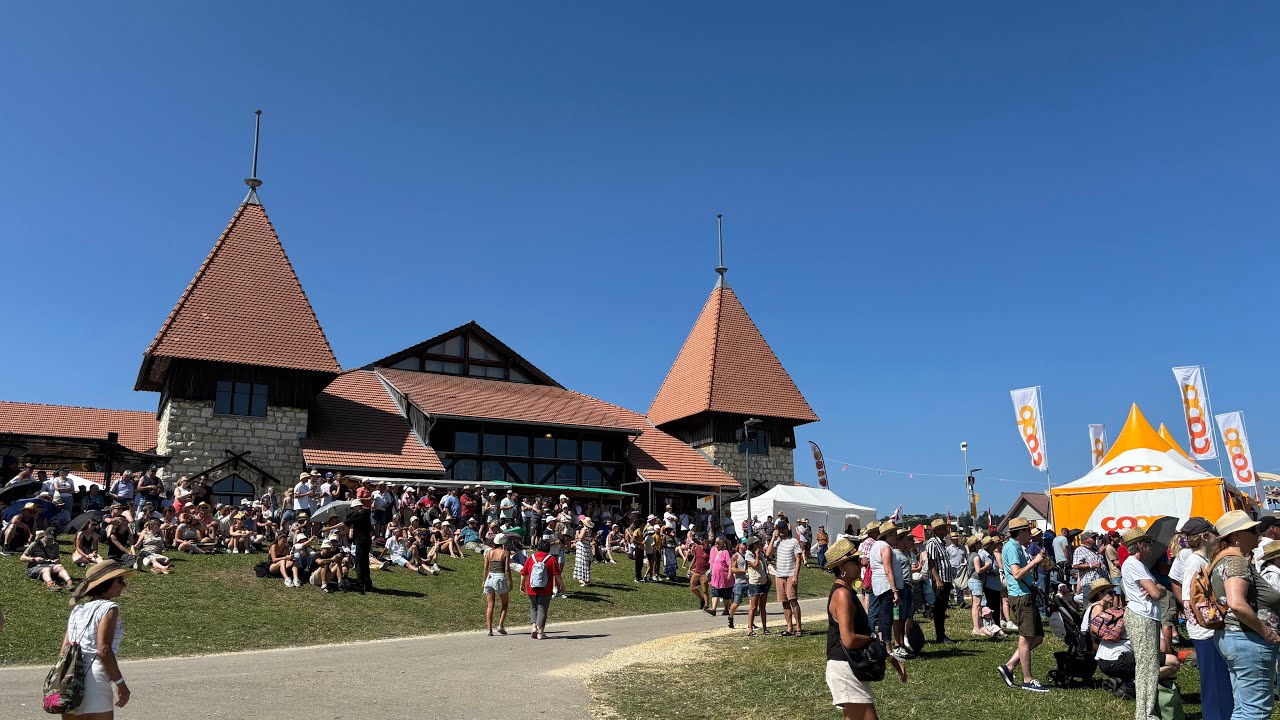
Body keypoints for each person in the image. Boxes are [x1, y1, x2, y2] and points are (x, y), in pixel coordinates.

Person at [824, 537, 907, 720]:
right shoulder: (842, 594)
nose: (861, 564)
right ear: (843, 566)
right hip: (845, 667)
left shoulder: (846, 591)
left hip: (849, 666)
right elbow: (849, 639)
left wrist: (891, 659)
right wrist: (873, 639)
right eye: (855, 561)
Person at [1210, 510, 1280, 720]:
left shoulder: (1222, 560)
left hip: (1234, 638)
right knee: (1256, 710)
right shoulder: (1236, 561)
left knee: (1243, 708)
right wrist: (1266, 631)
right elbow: (1237, 603)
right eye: (1251, 530)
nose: (1258, 533)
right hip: (1249, 640)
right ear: (1236, 536)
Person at [1119, 525, 1177, 720]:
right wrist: (1157, 589)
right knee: (1147, 666)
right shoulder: (1134, 564)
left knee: (1148, 665)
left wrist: (1156, 588)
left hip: (1145, 616)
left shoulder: (1136, 565)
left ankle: (1146, 711)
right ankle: (1145, 714)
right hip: (1142, 616)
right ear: (1140, 545)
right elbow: (1156, 593)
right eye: (1148, 542)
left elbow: (1156, 589)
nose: (1151, 545)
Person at [63, 560, 134, 718]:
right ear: (106, 583)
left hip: (70, 679)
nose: (124, 585)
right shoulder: (108, 608)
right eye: (120, 581)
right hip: (94, 680)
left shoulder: (77, 609)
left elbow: (65, 650)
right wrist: (120, 683)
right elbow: (103, 650)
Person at [1177, 516, 1232, 720]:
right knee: (1214, 682)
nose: (1217, 536)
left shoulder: (1202, 560)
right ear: (1204, 536)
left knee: (1219, 681)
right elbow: (1188, 599)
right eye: (1213, 532)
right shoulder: (1195, 562)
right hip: (1206, 631)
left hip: (1208, 629)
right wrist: (1206, 623)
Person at [997, 517, 1049, 692]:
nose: (1030, 534)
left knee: (1037, 637)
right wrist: (1034, 562)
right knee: (1026, 638)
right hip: (1021, 597)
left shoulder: (1017, 547)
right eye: (1028, 531)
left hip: (1025, 594)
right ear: (1020, 532)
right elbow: (1017, 574)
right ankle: (1027, 679)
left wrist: (1036, 560)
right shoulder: (1012, 547)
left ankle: (1009, 666)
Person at [520, 538, 562, 640]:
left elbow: (524, 573)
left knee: (533, 607)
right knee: (542, 609)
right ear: (548, 548)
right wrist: (562, 586)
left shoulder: (531, 558)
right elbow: (557, 575)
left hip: (531, 588)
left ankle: (534, 627)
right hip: (545, 589)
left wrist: (522, 585)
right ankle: (540, 632)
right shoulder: (551, 559)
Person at [925, 518, 958, 644]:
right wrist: (938, 580)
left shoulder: (942, 543)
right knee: (939, 608)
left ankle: (941, 634)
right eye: (944, 528)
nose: (946, 530)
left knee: (942, 608)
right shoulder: (932, 543)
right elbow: (931, 563)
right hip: (940, 580)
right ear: (938, 530)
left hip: (946, 579)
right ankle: (940, 635)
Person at [482, 533, 512, 636]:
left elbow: (485, 568)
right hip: (500, 578)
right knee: (505, 603)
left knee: (490, 605)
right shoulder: (505, 553)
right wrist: (510, 581)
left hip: (489, 577)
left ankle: (489, 629)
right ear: (503, 543)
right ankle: (500, 625)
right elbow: (507, 569)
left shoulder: (489, 553)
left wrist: (484, 580)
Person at [344, 499, 374, 593]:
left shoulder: (358, 513)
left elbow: (345, 523)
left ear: (357, 506)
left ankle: (361, 583)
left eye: (353, 508)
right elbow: (370, 529)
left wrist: (329, 528)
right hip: (366, 541)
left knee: (359, 562)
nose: (353, 510)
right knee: (365, 562)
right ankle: (367, 583)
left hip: (361, 541)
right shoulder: (366, 514)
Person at [744, 535, 771, 636]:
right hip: (754, 583)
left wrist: (767, 577)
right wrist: (756, 555)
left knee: (763, 606)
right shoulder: (748, 555)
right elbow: (755, 565)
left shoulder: (761, 554)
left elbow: (764, 566)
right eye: (757, 544)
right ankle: (750, 629)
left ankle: (765, 628)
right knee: (753, 607)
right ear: (752, 545)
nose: (759, 545)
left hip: (763, 581)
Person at [966, 536, 990, 635]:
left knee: (976, 605)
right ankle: (976, 628)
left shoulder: (970, 555)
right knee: (976, 605)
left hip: (973, 581)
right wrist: (987, 566)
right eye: (979, 543)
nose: (981, 544)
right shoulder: (976, 556)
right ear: (975, 545)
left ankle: (978, 626)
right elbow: (978, 570)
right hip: (976, 581)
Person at [573, 518, 594, 588]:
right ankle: (584, 579)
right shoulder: (589, 530)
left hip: (583, 548)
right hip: (586, 547)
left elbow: (580, 538)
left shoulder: (585, 529)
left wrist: (577, 533)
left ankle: (584, 580)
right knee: (584, 563)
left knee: (582, 563)